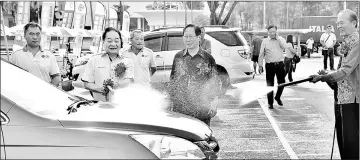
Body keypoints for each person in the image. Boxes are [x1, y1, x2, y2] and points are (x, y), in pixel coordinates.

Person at [310, 9, 359, 159]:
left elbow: (346, 71)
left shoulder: (357, 42)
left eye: (342, 23)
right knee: (342, 142)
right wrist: (326, 75)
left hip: (352, 100)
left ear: (354, 23)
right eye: (337, 23)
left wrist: (323, 78)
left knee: (351, 145)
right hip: (341, 98)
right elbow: (341, 73)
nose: (339, 26)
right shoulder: (347, 42)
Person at [168, 24, 221, 126]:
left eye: (191, 37)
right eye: (185, 37)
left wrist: (214, 103)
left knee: (201, 139)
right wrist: (170, 101)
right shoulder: (178, 57)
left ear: (199, 37)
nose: (188, 40)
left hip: (201, 108)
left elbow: (215, 82)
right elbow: (173, 80)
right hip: (181, 109)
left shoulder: (208, 58)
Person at [81, 27, 135, 102]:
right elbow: (87, 84)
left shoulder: (128, 61)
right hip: (99, 106)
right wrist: (101, 89)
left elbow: (128, 81)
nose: (113, 44)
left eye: (116, 41)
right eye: (109, 41)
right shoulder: (93, 60)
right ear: (103, 43)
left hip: (121, 105)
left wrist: (115, 86)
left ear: (121, 43)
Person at [10, 22, 61, 87]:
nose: (35, 37)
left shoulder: (49, 55)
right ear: (24, 35)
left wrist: (48, 91)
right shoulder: (16, 55)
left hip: (43, 95)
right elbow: (11, 78)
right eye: (31, 34)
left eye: (38, 34)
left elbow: (56, 77)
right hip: (22, 95)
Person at [258, 25, 287, 109]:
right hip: (269, 65)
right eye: (270, 32)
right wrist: (260, 65)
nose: (272, 33)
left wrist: (278, 39)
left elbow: (285, 47)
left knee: (282, 83)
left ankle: (277, 97)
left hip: (280, 65)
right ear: (268, 32)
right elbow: (261, 54)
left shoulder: (281, 40)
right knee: (270, 84)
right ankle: (270, 103)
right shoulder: (265, 41)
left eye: (273, 32)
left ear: (276, 31)